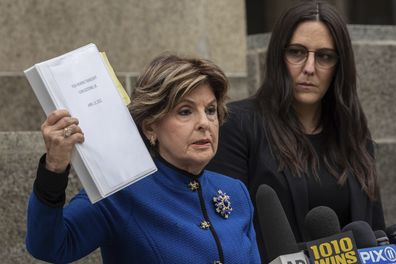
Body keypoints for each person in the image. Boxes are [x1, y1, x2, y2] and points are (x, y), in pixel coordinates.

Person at [26, 54, 261, 263]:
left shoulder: (235, 191)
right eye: (185, 111)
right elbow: (50, 246)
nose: (204, 123)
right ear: (151, 127)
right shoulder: (120, 191)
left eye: (210, 110)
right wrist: (54, 168)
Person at [208, 1, 385, 261]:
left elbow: (375, 234)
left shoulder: (355, 136)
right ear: (279, 56)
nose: (309, 68)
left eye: (324, 56)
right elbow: (227, 229)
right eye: (297, 52)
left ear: (339, 65)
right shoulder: (238, 125)